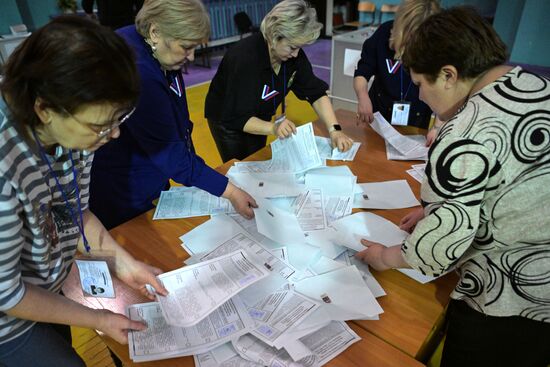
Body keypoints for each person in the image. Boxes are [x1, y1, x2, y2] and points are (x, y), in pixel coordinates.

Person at [356, 7, 550, 367]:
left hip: (505, 298)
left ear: (448, 75)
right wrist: (438, 207)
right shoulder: (536, 85)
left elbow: (436, 250)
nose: (423, 98)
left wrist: (384, 257)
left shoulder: (463, 134)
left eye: (420, 85)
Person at [0, 16, 168, 367]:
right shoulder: (5, 168)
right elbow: (8, 293)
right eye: (101, 125)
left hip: (40, 284)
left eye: (118, 120)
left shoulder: (74, 136)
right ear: (44, 109)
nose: (114, 135)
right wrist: (98, 319)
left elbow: (71, 210)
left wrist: (125, 262)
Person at [90, 0, 256, 230]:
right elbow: (171, 155)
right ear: (155, 32)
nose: (191, 56)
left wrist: (196, 165)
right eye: (186, 47)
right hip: (124, 189)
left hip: (150, 170)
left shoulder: (158, 52)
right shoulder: (140, 73)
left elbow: (178, 118)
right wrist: (231, 191)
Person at [205, 0, 354, 162]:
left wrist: (335, 130)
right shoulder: (244, 58)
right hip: (228, 120)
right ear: (274, 37)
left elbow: (316, 92)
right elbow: (238, 116)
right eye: (292, 47)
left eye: (299, 47)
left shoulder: (293, 57)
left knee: (257, 160)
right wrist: (273, 128)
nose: (296, 54)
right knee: (240, 168)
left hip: (260, 115)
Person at [353, 0, 440, 133]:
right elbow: (363, 71)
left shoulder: (436, 44)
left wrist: (438, 126)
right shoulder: (384, 33)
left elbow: (443, 90)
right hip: (378, 115)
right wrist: (363, 97)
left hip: (416, 120)